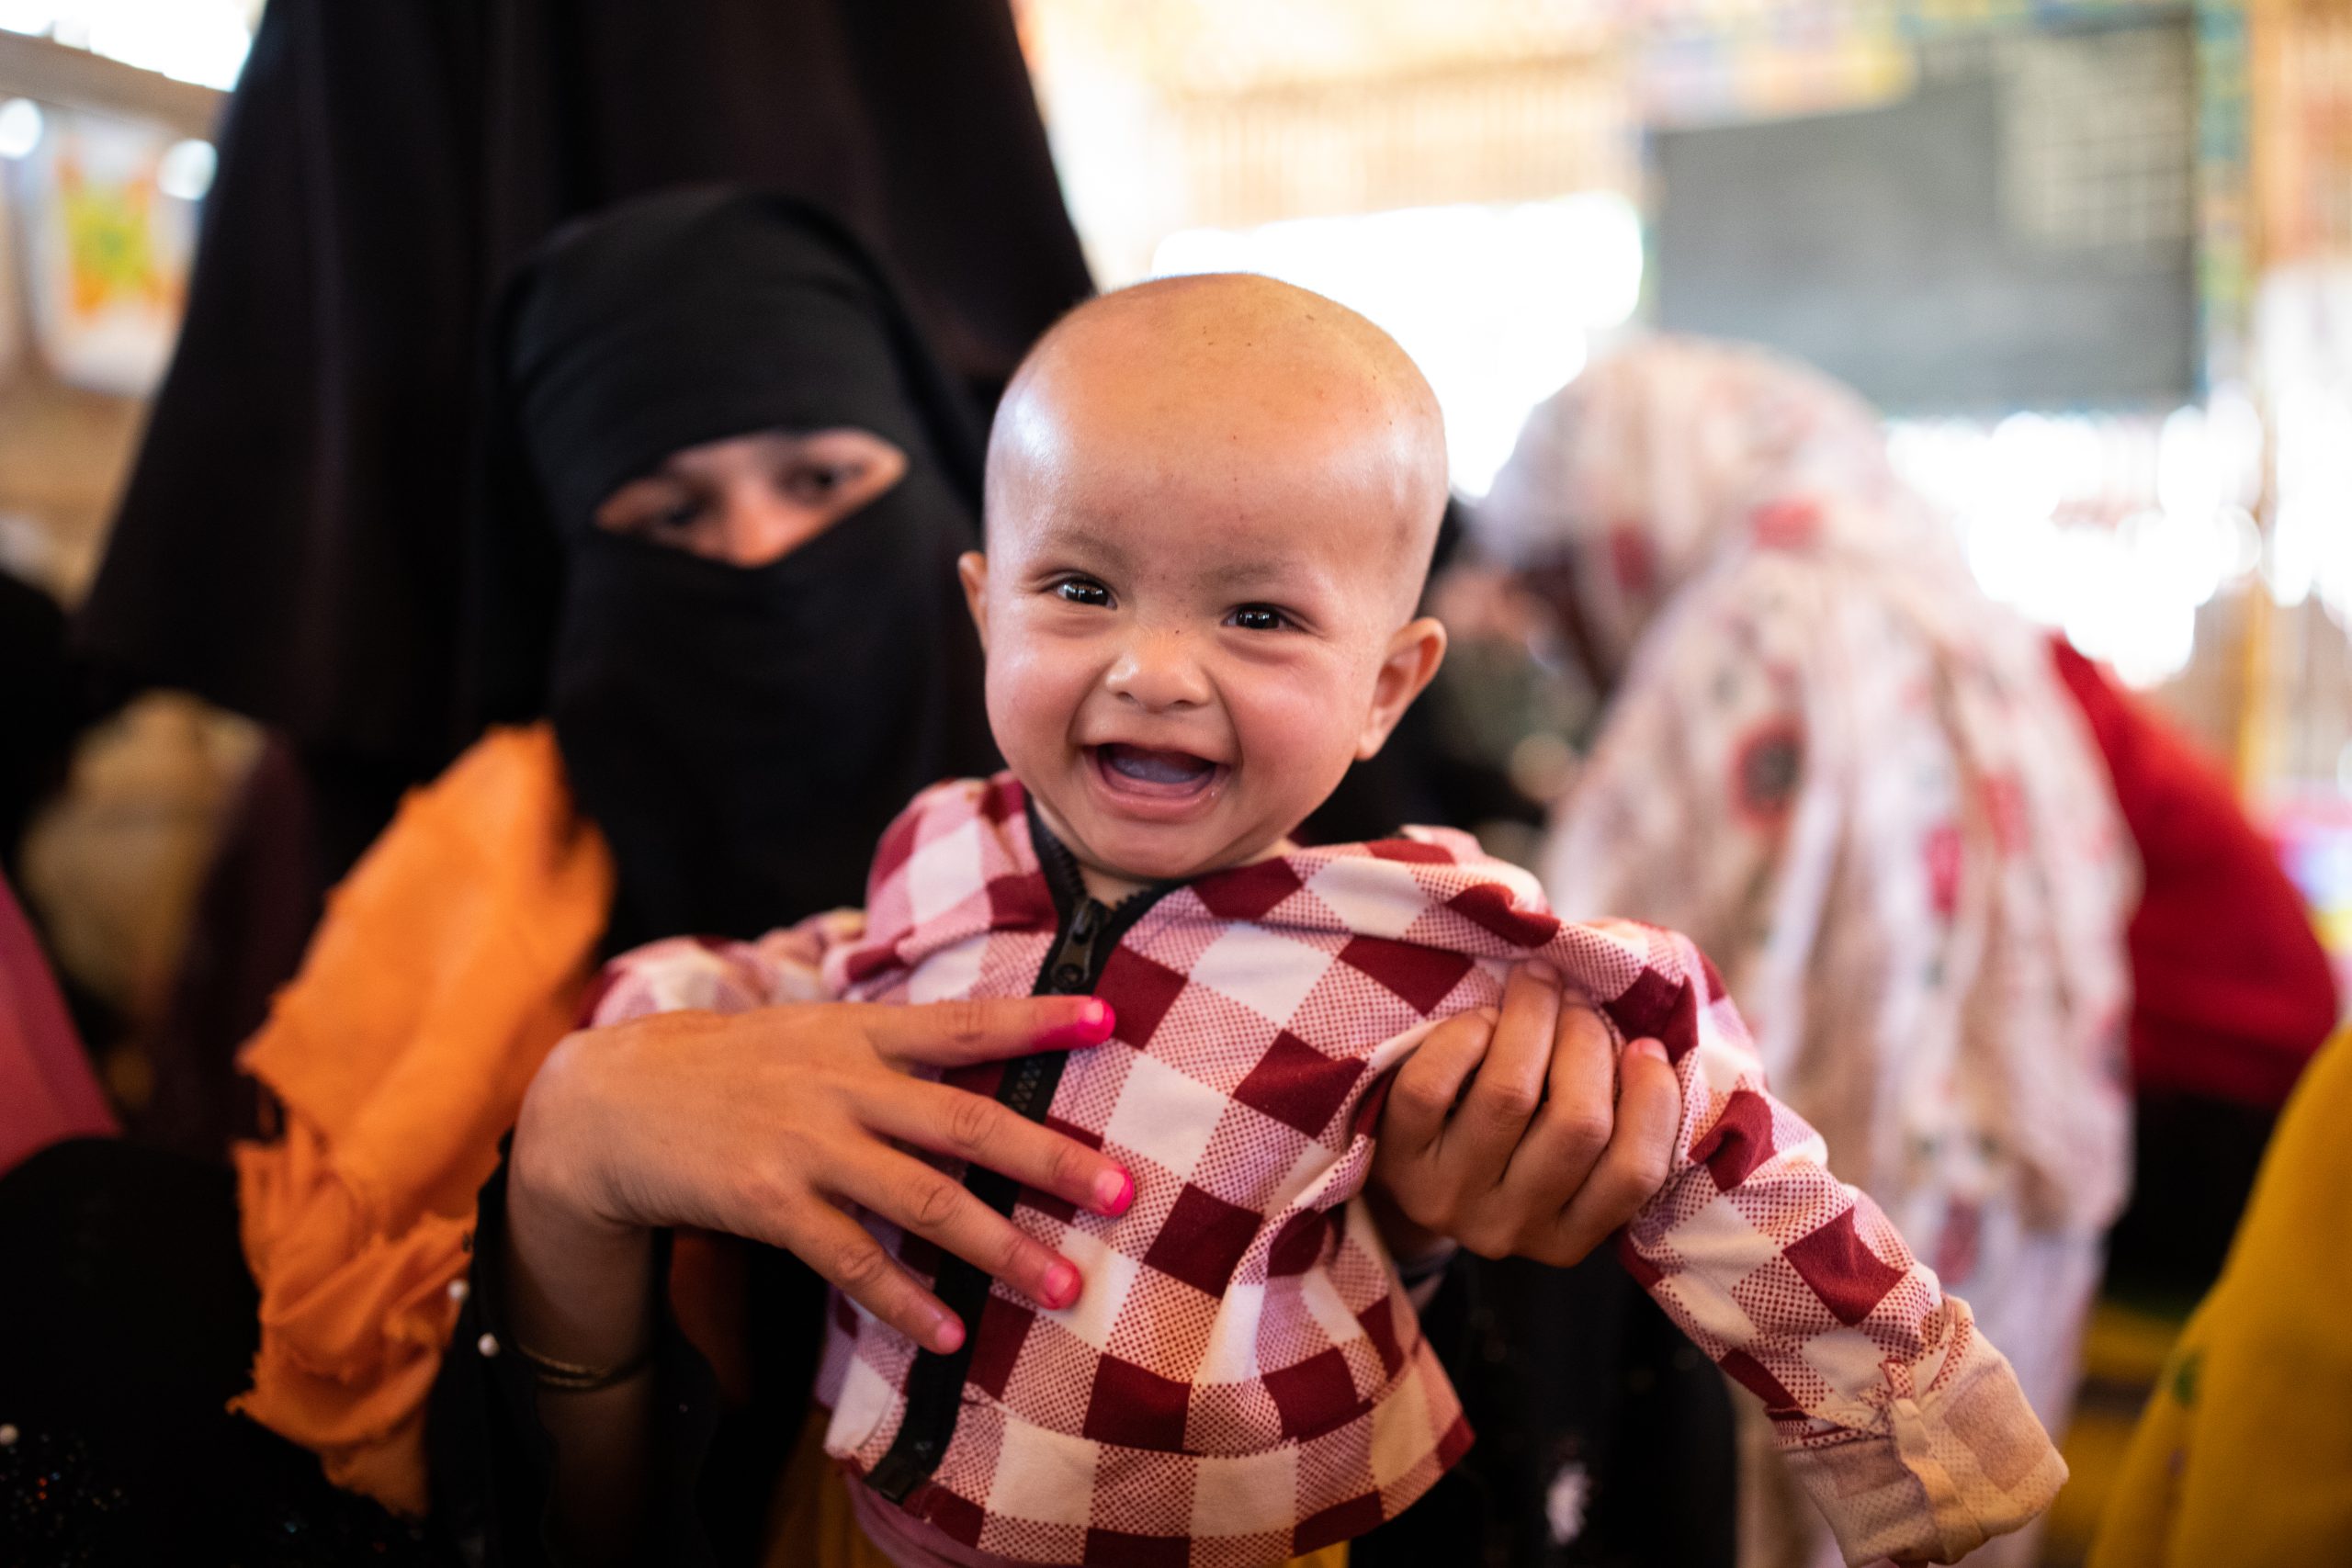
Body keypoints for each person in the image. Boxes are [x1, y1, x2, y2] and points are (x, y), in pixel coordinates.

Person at [0, 196, 1681, 1567]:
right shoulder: (433, 901)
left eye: (823, 484)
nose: (754, 562)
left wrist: (1431, 1213)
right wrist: (571, 1172)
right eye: (664, 512)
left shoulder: (1358, 897)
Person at [576, 277, 2065, 1568]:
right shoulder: (940, 848)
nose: (1154, 670)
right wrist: (640, 1029)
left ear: (1390, 688)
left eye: (1259, 618)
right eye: (1081, 590)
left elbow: (1704, 1118)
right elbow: (821, 977)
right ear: (987, 613)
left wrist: (1913, 1426)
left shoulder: (1414, 935)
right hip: (865, 1519)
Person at [1476, 337, 2137, 1568]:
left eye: (1561, 584)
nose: (1566, 636)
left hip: (1825, 1222)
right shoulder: (1946, 600)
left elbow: (1591, 978)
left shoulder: (1754, 625)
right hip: (1994, 1211)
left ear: (1625, 516)